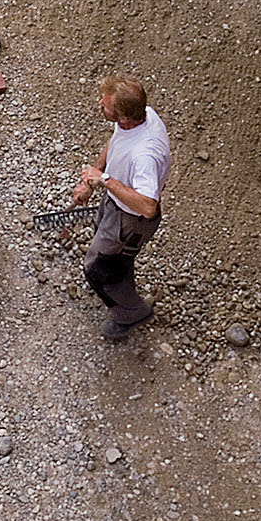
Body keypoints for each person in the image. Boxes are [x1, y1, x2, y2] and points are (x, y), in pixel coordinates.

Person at [69, 75, 172, 340]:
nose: (100, 105)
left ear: (124, 116)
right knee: (115, 259)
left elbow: (149, 207)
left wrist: (104, 180)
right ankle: (124, 282)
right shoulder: (141, 115)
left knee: (98, 270)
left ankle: (132, 312)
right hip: (116, 202)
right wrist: (93, 179)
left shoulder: (144, 155)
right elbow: (115, 140)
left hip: (131, 217)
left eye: (106, 106)